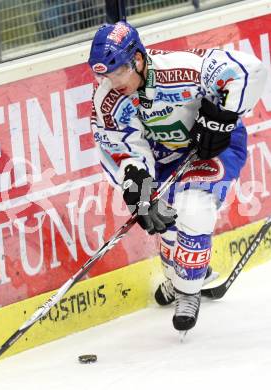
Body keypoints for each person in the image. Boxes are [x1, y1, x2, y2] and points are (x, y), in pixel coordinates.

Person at [88, 21, 267, 333]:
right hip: (164, 157)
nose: (111, 82)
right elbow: (122, 147)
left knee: (194, 208)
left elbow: (247, 69)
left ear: (139, 60)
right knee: (165, 218)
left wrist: (220, 117)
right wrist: (137, 187)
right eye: (103, 75)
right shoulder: (108, 101)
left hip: (213, 147)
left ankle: (188, 292)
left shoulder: (182, 69)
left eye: (118, 72)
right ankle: (183, 274)